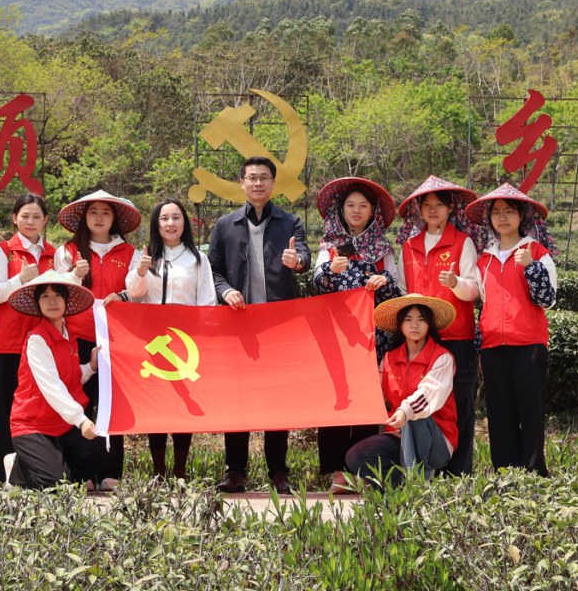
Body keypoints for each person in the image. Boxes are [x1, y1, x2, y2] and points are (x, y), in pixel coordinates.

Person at [207, 156, 311, 495]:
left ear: (273, 183)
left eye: (264, 177)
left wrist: (297, 261)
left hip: (278, 327)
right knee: (237, 397)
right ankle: (235, 471)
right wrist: (225, 291)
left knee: (276, 399)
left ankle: (278, 471)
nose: (258, 183)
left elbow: (305, 257)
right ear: (242, 183)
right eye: (251, 177)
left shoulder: (290, 222)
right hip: (237, 325)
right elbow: (212, 270)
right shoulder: (225, 224)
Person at [311, 176, 403, 494]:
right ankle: (337, 470)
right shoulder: (329, 247)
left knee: (365, 399)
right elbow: (317, 285)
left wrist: (383, 281)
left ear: (373, 211)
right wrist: (330, 271)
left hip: (371, 336)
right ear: (341, 210)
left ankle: (361, 470)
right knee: (337, 398)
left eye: (363, 205)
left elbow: (397, 290)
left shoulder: (383, 249)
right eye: (350, 205)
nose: (356, 210)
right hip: (336, 335)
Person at [465, 182, 559, 477]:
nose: (502, 217)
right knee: (499, 414)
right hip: (493, 346)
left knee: (531, 412)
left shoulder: (537, 252)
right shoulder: (484, 259)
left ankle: (534, 474)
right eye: (496, 212)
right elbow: (483, 306)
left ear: (521, 216)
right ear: (490, 219)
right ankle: (505, 475)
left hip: (529, 344)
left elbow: (548, 299)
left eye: (509, 211)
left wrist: (532, 267)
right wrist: (480, 349)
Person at [54, 189, 142, 491]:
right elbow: (56, 291)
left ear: (114, 218)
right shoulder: (68, 250)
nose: (100, 217)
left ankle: (109, 471)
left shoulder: (129, 252)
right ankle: (82, 473)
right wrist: (75, 275)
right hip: (77, 337)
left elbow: (138, 291)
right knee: (80, 402)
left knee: (112, 403)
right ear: (84, 217)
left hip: (116, 338)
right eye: (93, 212)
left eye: (106, 212)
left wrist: (125, 294)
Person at [396, 176, 482, 476]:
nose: (433, 210)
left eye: (439, 205)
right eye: (427, 205)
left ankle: (460, 473)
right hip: (421, 340)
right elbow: (402, 291)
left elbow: (474, 289)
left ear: (450, 208)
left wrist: (456, 283)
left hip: (457, 337)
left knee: (461, 405)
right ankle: (426, 470)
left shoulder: (463, 242)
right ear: (419, 209)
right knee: (425, 402)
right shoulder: (408, 247)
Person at [125, 198, 216, 480]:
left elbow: (207, 300)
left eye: (176, 217)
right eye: (164, 218)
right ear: (156, 224)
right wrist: (141, 271)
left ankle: (180, 471)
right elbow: (134, 292)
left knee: (182, 402)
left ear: (185, 223)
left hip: (186, 340)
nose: (170, 223)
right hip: (152, 340)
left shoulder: (198, 258)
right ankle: (158, 470)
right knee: (156, 402)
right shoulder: (145, 255)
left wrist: (203, 336)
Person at [3, 272, 111, 489]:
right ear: (38, 303)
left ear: (66, 301)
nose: (52, 301)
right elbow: (52, 386)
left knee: (103, 448)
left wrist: (90, 367)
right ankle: (17, 466)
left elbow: (69, 376)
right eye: (45, 296)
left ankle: (64, 472)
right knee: (53, 484)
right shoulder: (37, 339)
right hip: (34, 426)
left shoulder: (69, 337)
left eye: (57, 296)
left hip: (63, 426)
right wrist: (81, 420)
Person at [0, 192, 56, 484]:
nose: (30, 221)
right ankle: (3, 474)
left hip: (42, 345)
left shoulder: (54, 254)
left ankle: (33, 472)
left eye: (37, 216)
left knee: (37, 411)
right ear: (14, 219)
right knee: (2, 411)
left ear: (45, 220)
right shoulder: (3, 251)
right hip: (7, 344)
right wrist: (20, 279)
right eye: (25, 216)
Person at [345, 295, 458, 490]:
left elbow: (429, 393)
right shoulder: (389, 359)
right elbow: (372, 395)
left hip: (437, 442)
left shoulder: (442, 358)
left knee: (415, 414)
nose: (415, 325)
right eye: (408, 319)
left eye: (421, 319)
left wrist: (405, 411)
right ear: (400, 325)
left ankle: (419, 487)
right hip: (397, 437)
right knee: (356, 456)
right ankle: (400, 489)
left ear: (429, 324)